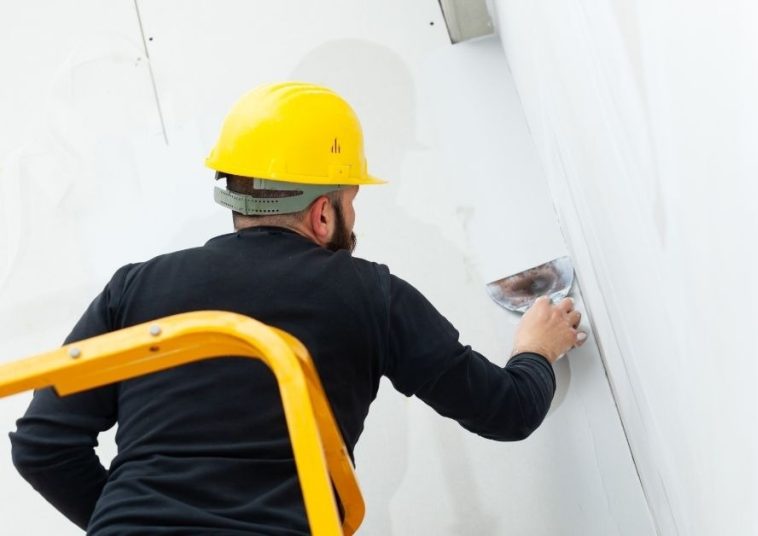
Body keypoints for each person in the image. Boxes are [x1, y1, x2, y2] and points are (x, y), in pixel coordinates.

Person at [9, 82, 586, 534]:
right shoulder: (370, 294)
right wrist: (536, 350)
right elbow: (507, 411)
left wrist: (130, 523)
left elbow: (42, 445)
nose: (353, 217)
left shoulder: (134, 289)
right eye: (352, 200)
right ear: (323, 213)